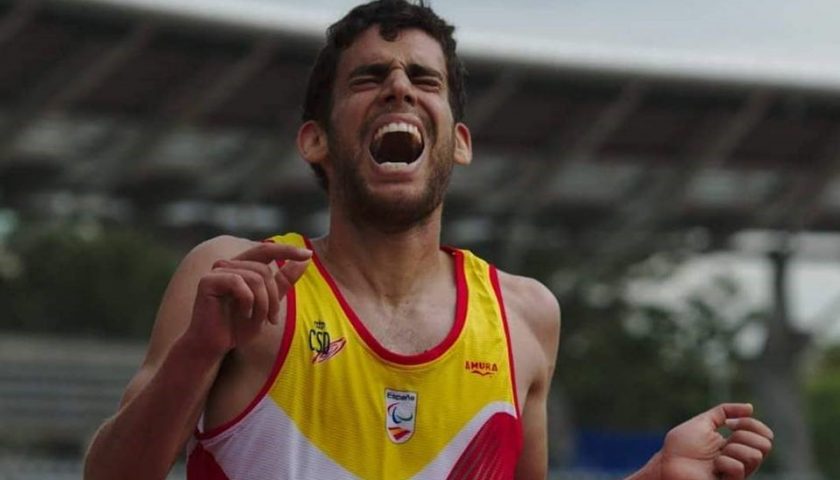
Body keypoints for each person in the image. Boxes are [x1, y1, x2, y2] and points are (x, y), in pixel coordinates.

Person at [83, 1, 774, 479]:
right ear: (315, 140)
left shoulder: (525, 317)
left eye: (423, 79)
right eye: (369, 77)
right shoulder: (238, 279)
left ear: (459, 142)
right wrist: (197, 351)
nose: (398, 88)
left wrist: (655, 476)